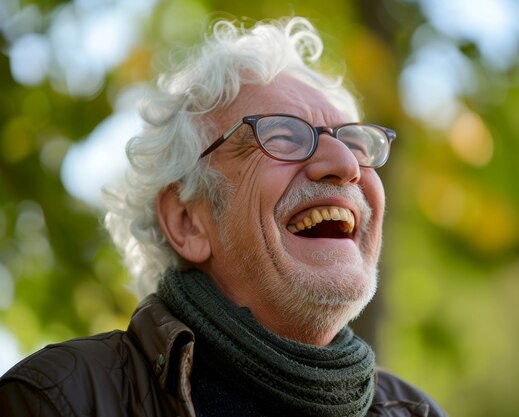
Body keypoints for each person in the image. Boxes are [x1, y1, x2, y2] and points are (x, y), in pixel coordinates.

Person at [0, 17, 447, 417]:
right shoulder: (56, 399)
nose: (346, 165)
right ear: (187, 222)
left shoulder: (418, 411)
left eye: (354, 142)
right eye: (282, 136)